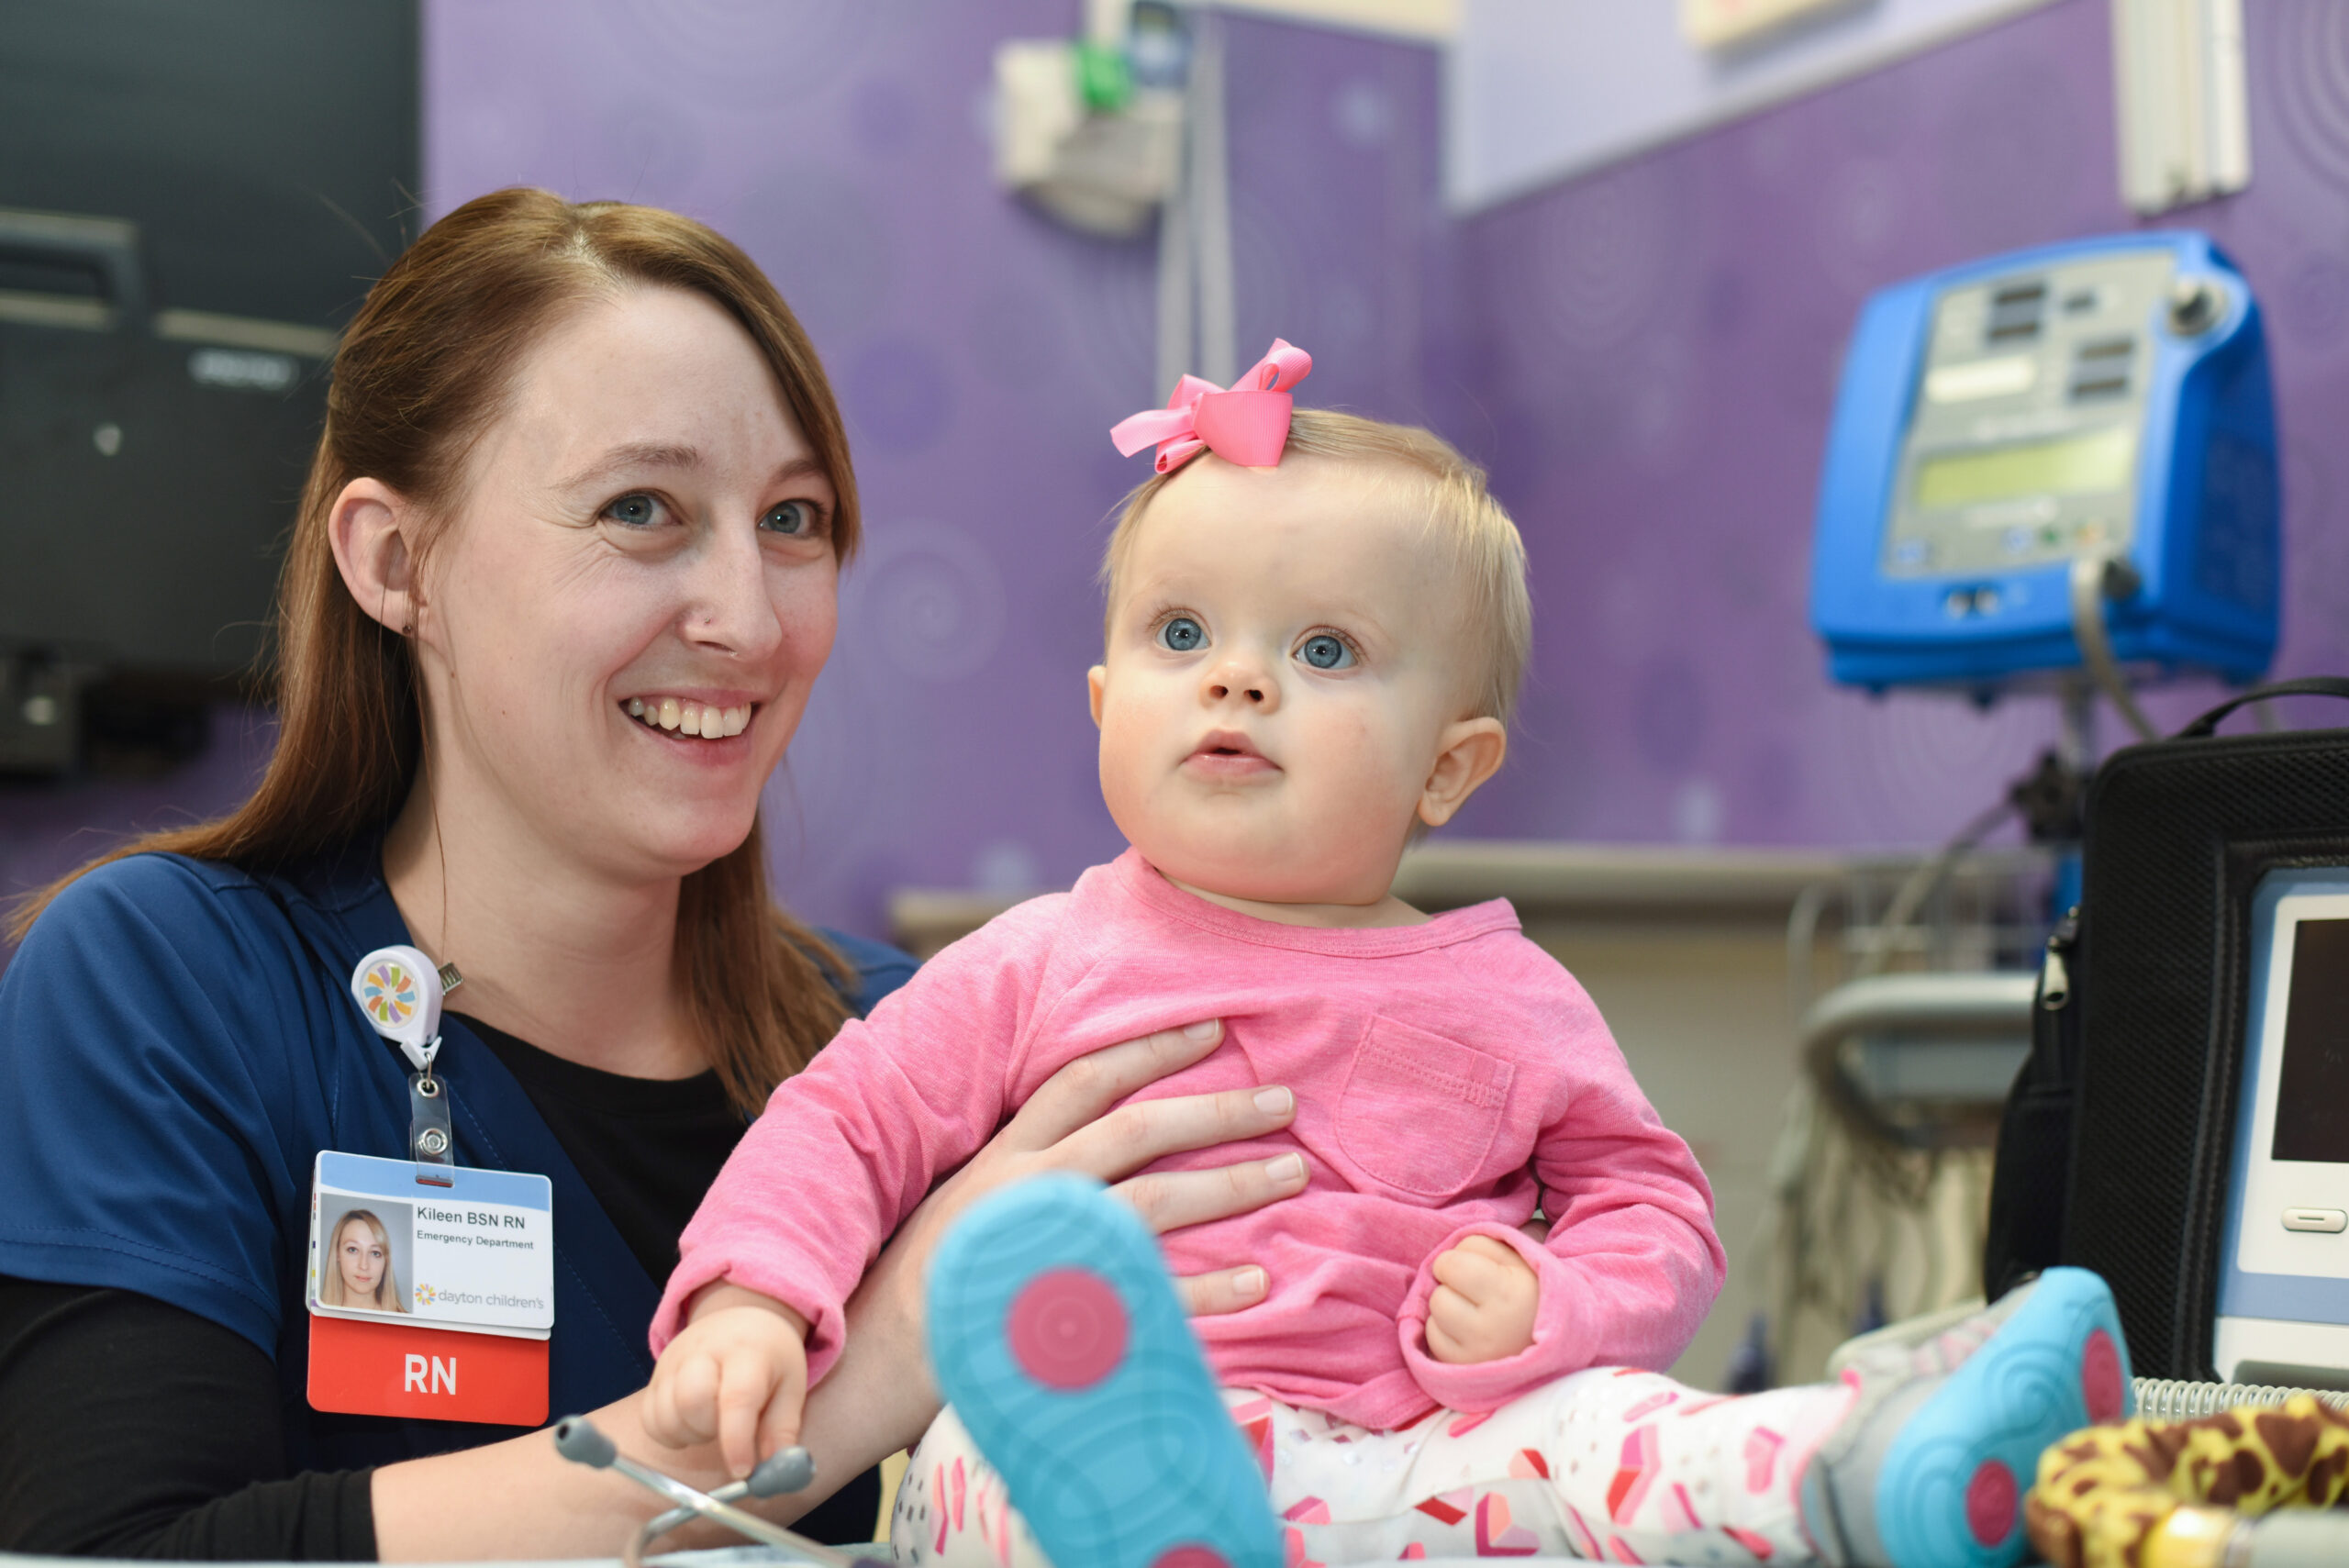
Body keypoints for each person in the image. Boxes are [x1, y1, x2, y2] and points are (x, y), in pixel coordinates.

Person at [641, 356, 2136, 1568]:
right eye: (1182, 631)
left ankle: (1874, 1469)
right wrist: (755, 1297)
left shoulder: (1510, 995)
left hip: (1425, 1466)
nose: (1236, 675)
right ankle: (1150, 1520)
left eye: (1328, 652)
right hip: (1088, 1445)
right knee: (985, 1455)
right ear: (1104, 700)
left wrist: (1554, 1306)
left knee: (1621, 1431)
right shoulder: (1038, 958)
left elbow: (1654, 1206)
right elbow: (843, 1120)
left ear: (1449, 766)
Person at [0, 189, 1309, 1561]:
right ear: (397, 562)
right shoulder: (165, 984)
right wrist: (872, 1368)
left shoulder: (908, 1045)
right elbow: (116, 1550)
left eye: (794, 520)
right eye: (642, 509)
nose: (749, 619)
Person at [320, 1211, 407, 1316]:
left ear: (386, 1261)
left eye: (375, 1253)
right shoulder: (316, 1316)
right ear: (337, 1254)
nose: (364, 1266)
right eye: (353, 1250)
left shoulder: (409, 1326)